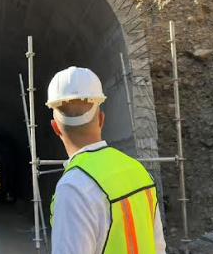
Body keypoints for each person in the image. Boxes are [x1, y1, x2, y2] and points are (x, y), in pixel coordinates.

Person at [46, 67, 166, 254]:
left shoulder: (74, 187)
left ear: (56, 128)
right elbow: (158, 246)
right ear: (101, 119)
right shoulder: (138, 170)